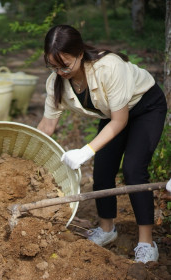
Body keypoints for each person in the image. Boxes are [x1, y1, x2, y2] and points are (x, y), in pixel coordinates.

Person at [37, 25, 167, 264]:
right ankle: (107, 230)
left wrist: (86, 151)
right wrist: (31, 157)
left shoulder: (109, 67)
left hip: (144, 107)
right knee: (102, 171)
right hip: (113, 114)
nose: (60, 72)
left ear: (79, 54)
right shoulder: (55, 82)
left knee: (134, 170)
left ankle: (147, 242)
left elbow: (120, 121)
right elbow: (46, 126)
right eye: (53, 66)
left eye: (65, 65)